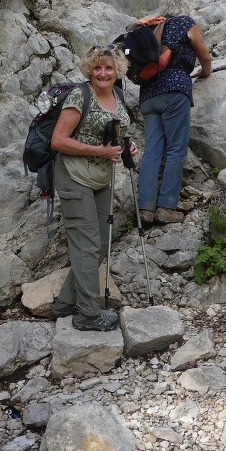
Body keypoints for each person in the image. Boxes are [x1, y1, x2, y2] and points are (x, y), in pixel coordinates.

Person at [50, 46, 135, 332]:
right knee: (86, 244)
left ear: (117, 71)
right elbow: (58, 141)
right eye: (97, 68)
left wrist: (125, 147)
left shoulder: (118, 96)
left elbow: (115, 135)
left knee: (99, 243)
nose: (103, 73)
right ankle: (87, 313)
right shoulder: (80, 95)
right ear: (90, 70)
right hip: (74, 176)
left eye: (108, 68)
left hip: (100, 178)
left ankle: (65, 302)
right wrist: (99, 151)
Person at [137, 0, 213, 226]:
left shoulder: (152, 25)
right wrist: (204, 73)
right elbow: (205, 56)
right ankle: (166, 207)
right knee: (176, 150)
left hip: (148, 95)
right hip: (174, 92)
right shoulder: (185, 23)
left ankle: (145, 209)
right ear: (185, 2)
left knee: (151, 152)